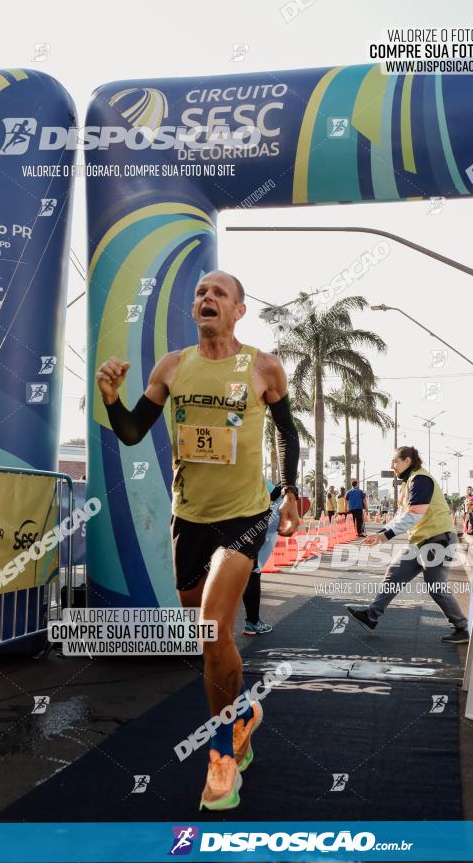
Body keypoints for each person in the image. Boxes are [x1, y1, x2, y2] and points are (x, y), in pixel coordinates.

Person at [95, 270, 300, 810]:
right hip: (188, 517)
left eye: (220, 293)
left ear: (239, 310)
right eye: (200, 293)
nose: (207, 298)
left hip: (246, 516)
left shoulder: (262, 367)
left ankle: (222, 757)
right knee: (202, 622)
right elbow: (134, 431)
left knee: (213, 628)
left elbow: (287, 430)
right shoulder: (172, 367)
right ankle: (245, 715)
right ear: (195, 311)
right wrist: (112, 399)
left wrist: (292, 492)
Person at [346, 446, 469, 644]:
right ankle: (371, 616)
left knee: (435, 586)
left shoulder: (421, 480)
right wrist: (380, 533)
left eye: (395, 461)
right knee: (395, 571)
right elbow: (401, 516)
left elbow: (414, 514)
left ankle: (462, 628)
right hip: (420, 541)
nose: (391, 465)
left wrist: (386, 536)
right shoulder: (409, 484)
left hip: (438, 539)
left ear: (407, 461)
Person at [243, 481, 281, 635]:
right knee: (252, 570)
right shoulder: (248, 470)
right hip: (249, 527)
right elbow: (275, 495)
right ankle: (252, 622)